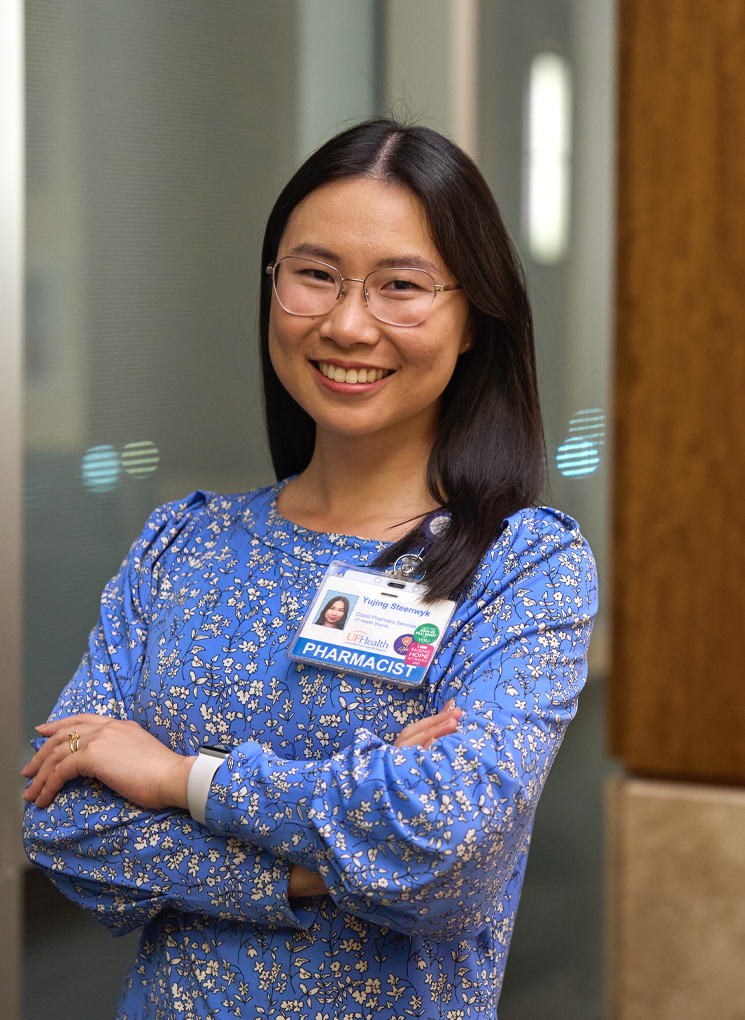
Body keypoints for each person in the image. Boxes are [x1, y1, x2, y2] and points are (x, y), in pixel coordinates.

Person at [22, 119, 597, 1020]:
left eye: (400, 286)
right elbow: (63, 820)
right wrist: (311, 870)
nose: (347, 323)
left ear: (474, 316)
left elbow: (443, 845)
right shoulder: (185, 543)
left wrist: (177, 780)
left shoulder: (521, 563)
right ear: (273, 285)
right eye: (315, 275)